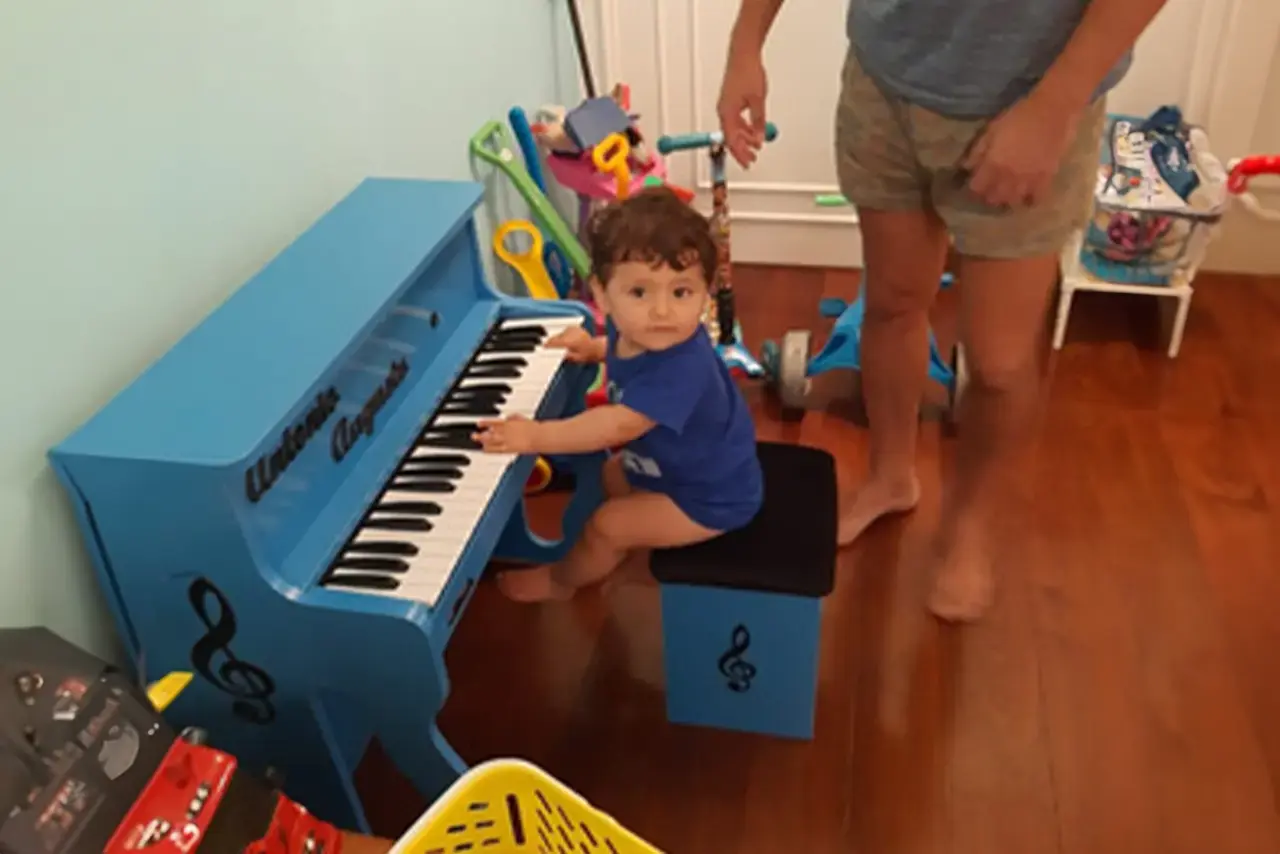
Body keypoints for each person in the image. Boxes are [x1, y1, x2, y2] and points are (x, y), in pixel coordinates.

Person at [716, 0, 1168, 622]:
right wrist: (747, 44)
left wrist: (1053, 108)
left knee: (1001, 364)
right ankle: (890, 476)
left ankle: (969, 530)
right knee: (894, 303)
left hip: (1027, 97)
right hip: (886, 82)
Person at [474, 187, 764, 603]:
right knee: (612, 475)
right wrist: (595, 348)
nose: (662, 311)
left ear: (705, 294)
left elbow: (615, 425)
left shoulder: (683, 366)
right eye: (640, 292)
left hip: (712, 498)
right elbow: (622, 350)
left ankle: (562, 582)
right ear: (603, 295)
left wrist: (534, 437)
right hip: (672, 467)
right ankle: (630, 540)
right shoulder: (631, 330)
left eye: (681, 292)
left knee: (606, 525)